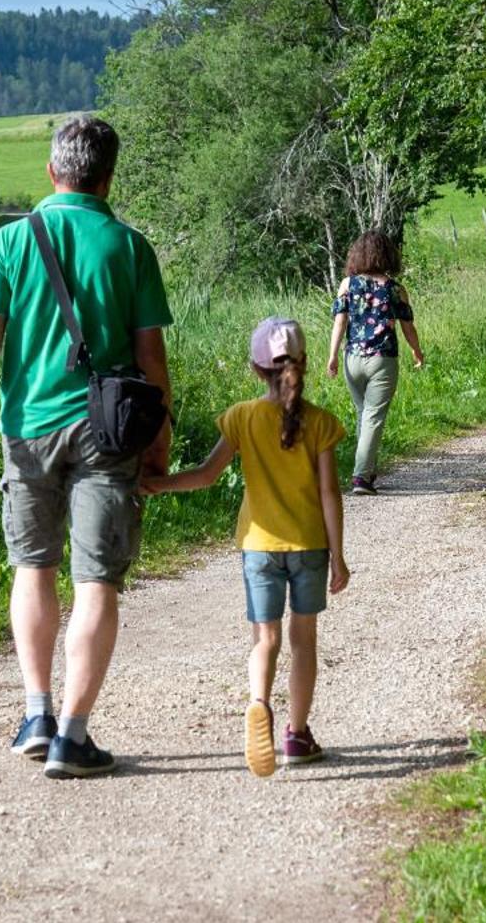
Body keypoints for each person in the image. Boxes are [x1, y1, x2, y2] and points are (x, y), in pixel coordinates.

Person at [0, 115, 173, 779]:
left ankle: (36, 711)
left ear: (52, 171)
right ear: (108, 174)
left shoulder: (10, 242)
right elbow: (152, 357)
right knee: (98, 578)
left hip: (26, 429)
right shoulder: (128, 246)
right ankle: (72, 733)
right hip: (108, 432)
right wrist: (160, 442)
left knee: (31, 566)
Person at [143, 317, 350, 777]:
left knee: (266, 638)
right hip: (310, 547)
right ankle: (297, 735)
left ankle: (258, 702)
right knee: (303, 640)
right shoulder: (321, 423)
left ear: (257, 369)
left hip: (259, 547)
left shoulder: (241, 417)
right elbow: (329, 495)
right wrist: (338, 556)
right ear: (306, 363)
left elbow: (206, 474)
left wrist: (158, 484)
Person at [325, 230, 425, 494]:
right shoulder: (395, 289)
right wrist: (417, 351)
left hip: (352, 360)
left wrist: (333, 355)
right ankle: (360, 477)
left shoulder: (347, 284)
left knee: (364, 414)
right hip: (382, 359)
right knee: (373, 417)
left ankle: (366, 472)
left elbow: (339, 322)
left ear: (358, 255)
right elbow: (408, 327)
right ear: (387, 255)